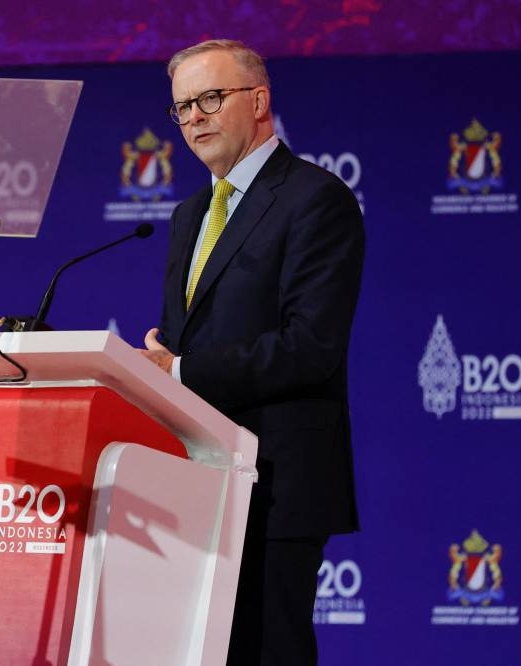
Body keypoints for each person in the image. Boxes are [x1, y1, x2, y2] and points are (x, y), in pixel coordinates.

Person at [139, 39, 364, 665]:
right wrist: (158, 361)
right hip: (194, 481)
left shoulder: (315, 199)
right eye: (182, 108)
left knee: (268, 651)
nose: (194, 119)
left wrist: (179, 370)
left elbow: (310, 347)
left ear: (259, 101)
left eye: (210, 98)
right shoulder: (190, 214)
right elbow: (184, 336)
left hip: (276, 482)